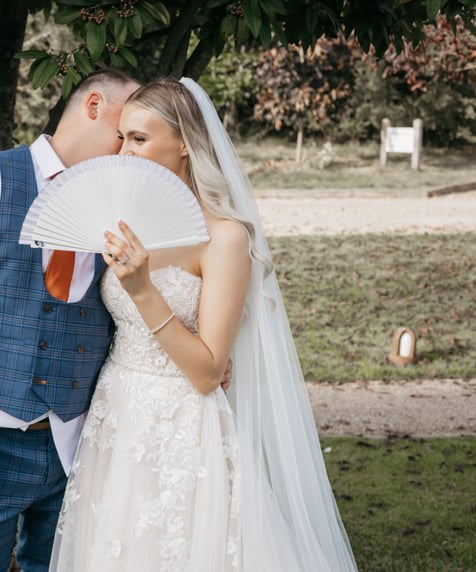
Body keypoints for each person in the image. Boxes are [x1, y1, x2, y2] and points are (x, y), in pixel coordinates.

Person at [49, 78, 359, 571]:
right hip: (116, 413)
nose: (123, 152)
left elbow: (207, 372)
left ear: (185, 145)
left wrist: (143, 290)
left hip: (181, 425)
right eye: (122, 137)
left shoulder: (224, 237)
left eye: (139, 139)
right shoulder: (125, 221)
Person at [0, 69, 141, 572]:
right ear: (94, 106)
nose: (128, 152)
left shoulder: (119, 207)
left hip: (76, 445)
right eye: (124, 134)